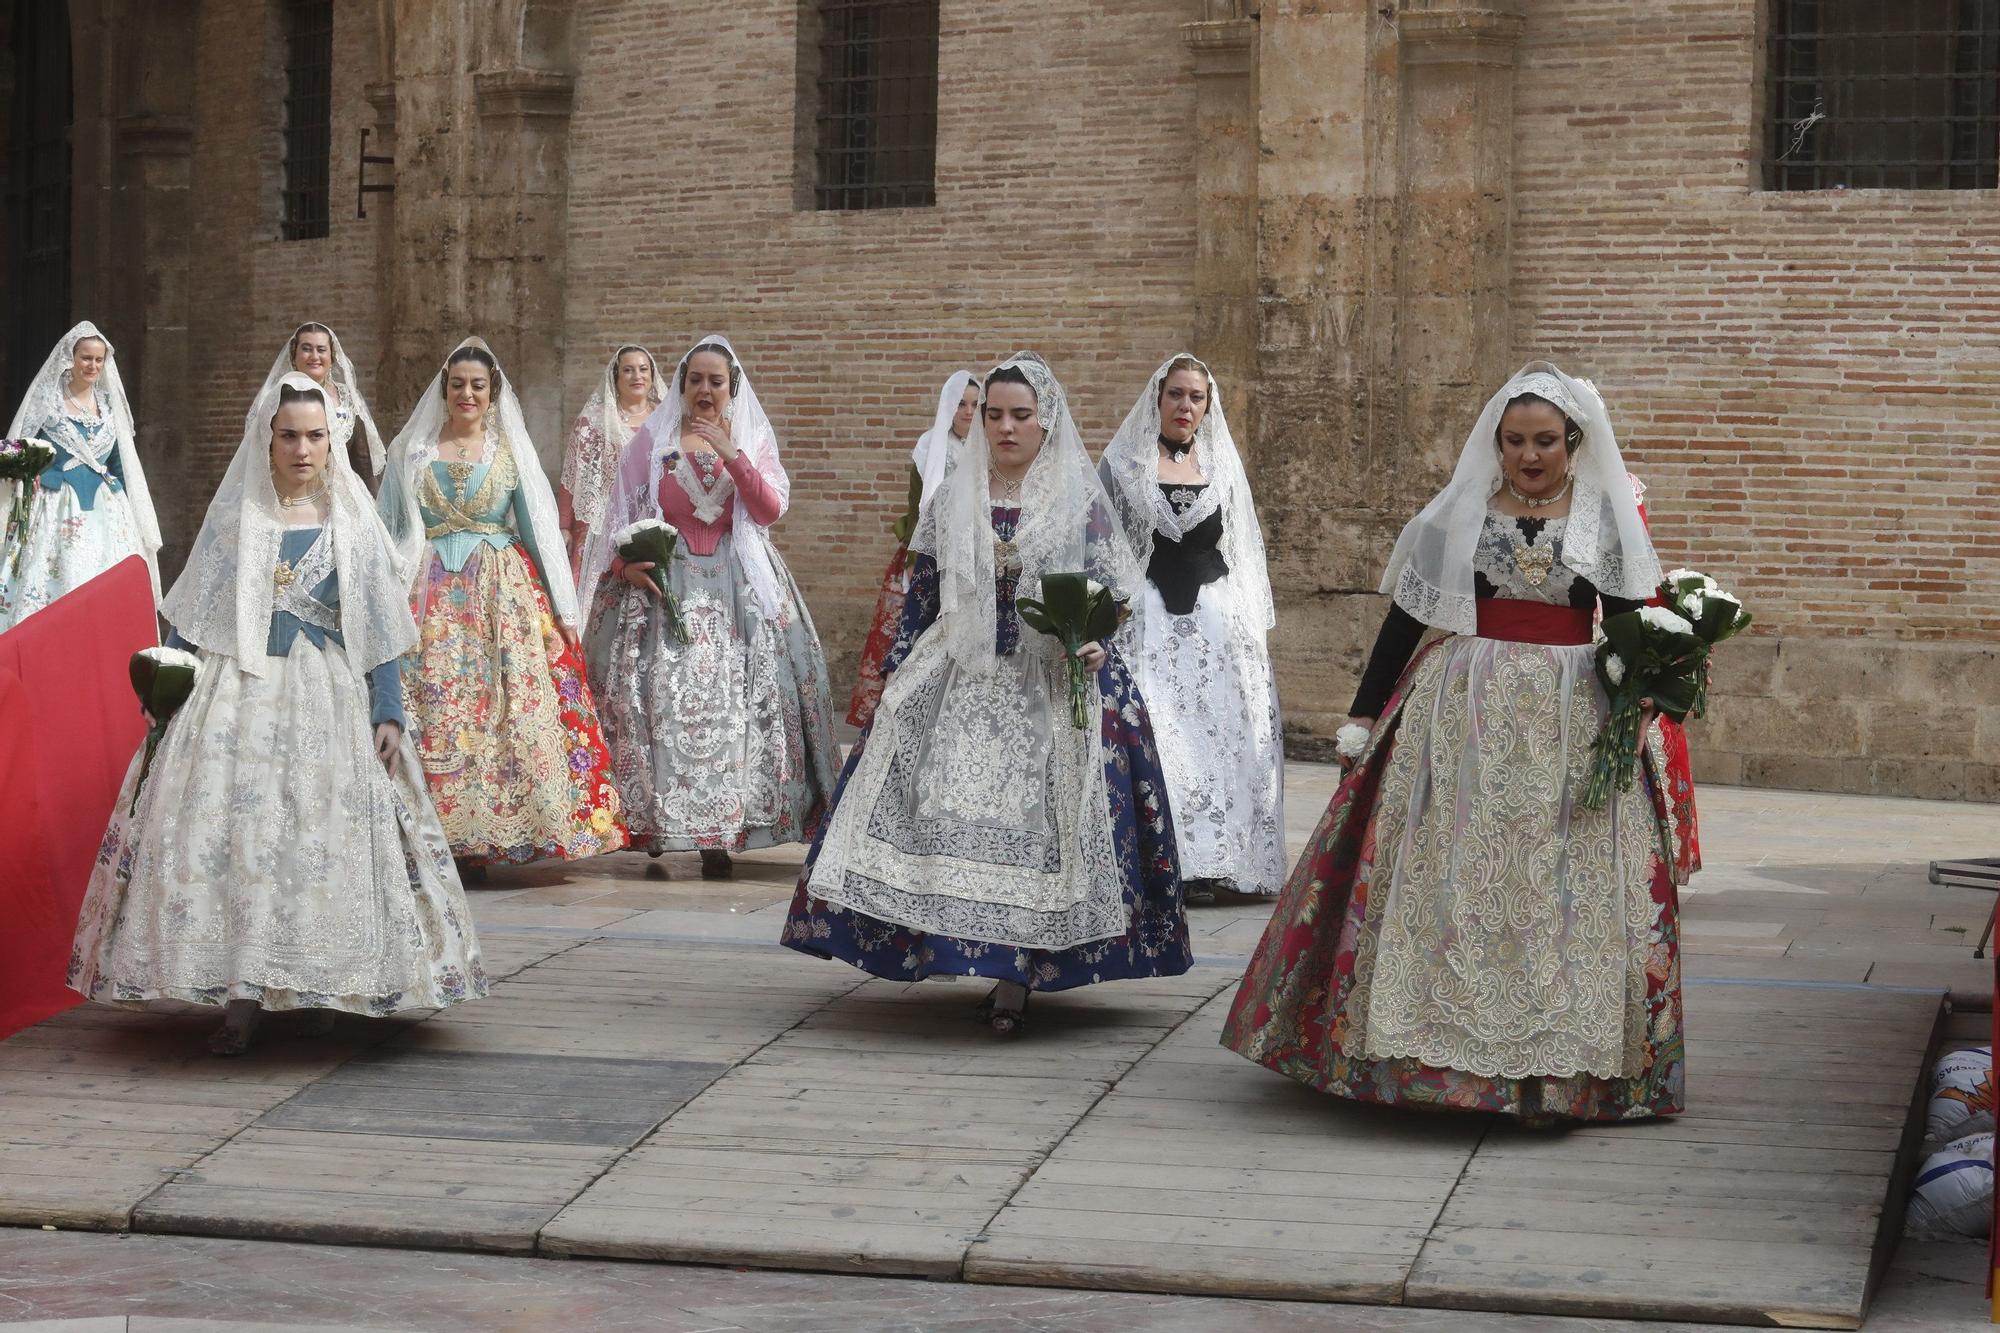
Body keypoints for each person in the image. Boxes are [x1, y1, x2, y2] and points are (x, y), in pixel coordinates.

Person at [1222, 361, 1684, 1121]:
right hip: (1463, 703)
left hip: (1574, 710)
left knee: (1556, 885)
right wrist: (1364, 714)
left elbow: (1635, 624)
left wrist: (1646, 703)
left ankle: (1559, 1067)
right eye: (1515, 441)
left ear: (1572, 441)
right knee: (1449, 866)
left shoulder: (1602, 517)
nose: (1529, 456)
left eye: (1544, 441)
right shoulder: (1460, 514)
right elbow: (1405, 621)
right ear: (1496, 443)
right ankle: (1433, 1059)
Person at [68, 373, 486, 1055]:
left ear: (331, 441)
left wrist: (387, 710)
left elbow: (378, 626)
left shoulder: (354, 522)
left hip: (328, 697)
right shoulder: (237, 519)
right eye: (289, 435)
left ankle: (317, 984)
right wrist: (167, 687)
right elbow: (195, 615)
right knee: (244, 841)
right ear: (267, 440)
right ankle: (242, 995)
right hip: (239, 692)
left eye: (315, 436)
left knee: (318, 841)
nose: (302, 448)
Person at [782, 352, 1191, 1037]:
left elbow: (1115, 594)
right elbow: (920, 597)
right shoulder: (952, 498)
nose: (1005, 427)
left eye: (1021, 415)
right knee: (940, 813)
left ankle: (1016, 976)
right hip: (961, 673)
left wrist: (1094, 639)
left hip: (1053, 681)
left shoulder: (1077, 501)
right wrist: (890, 685)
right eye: (995, 414)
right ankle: (949, 947)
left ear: (1045, 422)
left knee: (1045, 827)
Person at [582, 336, 838, 880]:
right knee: (658, 703)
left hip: (737, 587)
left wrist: (729, 452)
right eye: (694, 379)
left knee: (736, 707)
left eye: (714, 381)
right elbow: (617, 520)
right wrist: (624, 569)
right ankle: (657, 824)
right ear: (680, 385)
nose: (703, 390)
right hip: (667, 591)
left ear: (732, 388)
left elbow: (767, 511)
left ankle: (725, 831)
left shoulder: (749, 441)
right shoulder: (651, 444)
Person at [378, 338, 626, 872]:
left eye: (477, 386)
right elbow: (388, 527)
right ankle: (436, 827)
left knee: (502, 704)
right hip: (427, 593)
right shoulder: (411, 451)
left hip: (501, 592)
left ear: (492, 394)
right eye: (458, 384)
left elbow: (537, 529)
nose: (467, 394)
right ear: (444, 390)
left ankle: (495, 830)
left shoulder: (510, 453)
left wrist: (562, 610)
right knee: (439, 703)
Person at [1099, 354, 1284, 902]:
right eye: (1176, 395)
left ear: (1208, 406)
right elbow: (1104, 548)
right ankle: (1163, 861)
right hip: (1147, 623)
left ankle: (1221, 862)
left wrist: (1250, 632)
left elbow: (1244, 549)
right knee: (1159, 734)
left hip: (1213, 626)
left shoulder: (1222, 466)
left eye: (1196, 397)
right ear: (1158, 399)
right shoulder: (1124, 465)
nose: (1185, 406)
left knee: (1220, 736)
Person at [0, 321, 162, 629]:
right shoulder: (49, 404)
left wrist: (133, 514)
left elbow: (118, 463)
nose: (92, 365)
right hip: (55, 505)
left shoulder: (110, 409)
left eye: (98, 359)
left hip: (107, 509)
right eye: (86, 358)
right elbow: (15, 446)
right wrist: (28, 471)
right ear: (70, 359)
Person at [848, 370, 978, 729]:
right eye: (960, 404)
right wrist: (911, 559)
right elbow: (916, 506)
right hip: (926, 552)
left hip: (972, 555)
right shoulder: (929, 447)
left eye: (974, 405)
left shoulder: (987, 449)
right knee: (906, 631)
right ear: (948, 408)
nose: (968, 412)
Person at [561, 344, 664, 583]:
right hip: (600, 523)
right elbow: (572, 475)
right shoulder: (595, 421)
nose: (637, 376)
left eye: (643, 369)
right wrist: (563, 525)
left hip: (650, 518)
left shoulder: (665, 419)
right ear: (615, 377)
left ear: (652, 375)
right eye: (628, 370)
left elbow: (676, 464)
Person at [248, 322, 387, 491]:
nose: (314, 356)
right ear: (294, 354)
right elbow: (259, 456)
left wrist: (376, 504)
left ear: (332, 356)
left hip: (340, 492)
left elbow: (363, 458)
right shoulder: (274, 399)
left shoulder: (346, 398)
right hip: (288, 492)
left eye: (321, 350)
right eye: (307, 349)